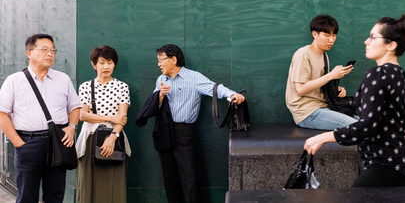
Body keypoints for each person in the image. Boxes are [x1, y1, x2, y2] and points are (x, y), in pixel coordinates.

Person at [304, 14, 405, 187]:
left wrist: (322, 138)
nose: (366, 41)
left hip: (385, 165)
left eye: (373, 37)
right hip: (404, 164)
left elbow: (367, 126)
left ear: (391, 45)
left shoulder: (378, 73)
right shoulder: (399, 73)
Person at [135, 44, 245, 203]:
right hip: (164, 130)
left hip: (183, 131)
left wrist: (233, 94)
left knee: (189, 175)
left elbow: (214, 88)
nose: (159, 64)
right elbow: (152, 107)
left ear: (173, 59)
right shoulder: (161, 80)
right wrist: (160, 96)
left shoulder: (193, 77)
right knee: (169, 176)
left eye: (161, 60)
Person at [0, 33, 82, 203]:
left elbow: (74, 107)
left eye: (53, 50)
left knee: (55, 194)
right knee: (27, 195)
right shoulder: (14, 81)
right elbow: (2, 114)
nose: (50, 54)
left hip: (58, 144)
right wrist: (18, 143)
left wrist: (72, 126)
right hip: (28, 143)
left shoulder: (63, 79)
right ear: (29, 53)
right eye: (44, 50)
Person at [75, 46, 131, 203]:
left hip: (115, 140)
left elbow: (122, 117)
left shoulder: (122, 87)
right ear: (94, 65)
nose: (106, 66)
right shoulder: (86, 87)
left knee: (114, 185)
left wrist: (112, 137)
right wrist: (111, 118)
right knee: (88, 184)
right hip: (91, 139)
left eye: (110, 62)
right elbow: (83, 115)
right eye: (101, 62)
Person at [286, 15, 357, 130]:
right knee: (359, 126)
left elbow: (320, 84)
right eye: (327, 35)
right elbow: (301, 89)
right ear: (315, 34)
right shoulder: (303, 54)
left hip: (323, 107)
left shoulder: (324, 55)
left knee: (366, 122)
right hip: (307, 113)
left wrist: (336, 89)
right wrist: (331, 75)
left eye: (334, 35)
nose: (331, 39)